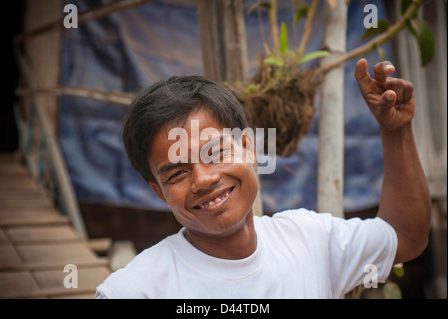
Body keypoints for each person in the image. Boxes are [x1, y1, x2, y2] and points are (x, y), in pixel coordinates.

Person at [95, 59, 431, 298]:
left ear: (248, 148)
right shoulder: (135, 290)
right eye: (178, 173)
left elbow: (405, 235)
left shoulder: (311, 241)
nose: (203, 179)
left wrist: (396, 131)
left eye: (215, 153)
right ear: (158, 192)